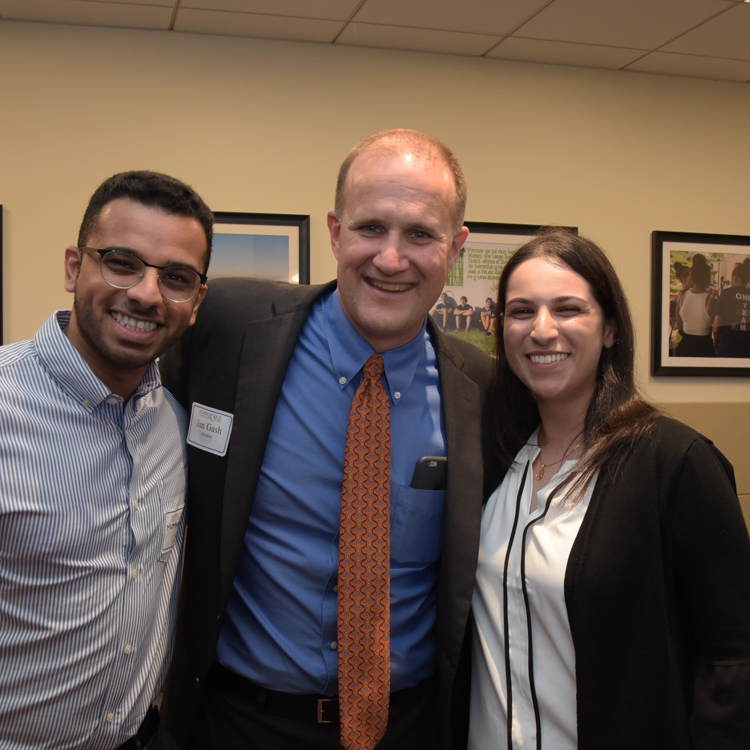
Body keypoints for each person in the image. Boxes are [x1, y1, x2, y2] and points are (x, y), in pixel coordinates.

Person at [159, 129, 497, 750]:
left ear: (456, 248)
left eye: (420, 234)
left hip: (412, 728)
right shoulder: (228, 329)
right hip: (240, 723)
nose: (391, 259)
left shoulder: (482, 389)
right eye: (371, 228)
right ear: (337, 232)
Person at [467, 228, 750, 750]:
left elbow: (732, 659)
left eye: (569, 309)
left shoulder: (674, 463)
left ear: (611, 329)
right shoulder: (493, 460)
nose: (542, 330)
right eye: (521, 311)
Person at [0, 171, 212, 749]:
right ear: (74, 267)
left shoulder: (174, 421)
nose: (145, 293)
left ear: (197, 302)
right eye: (121, 262)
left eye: (175, 278)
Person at [675, 253, 716, 357]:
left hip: (685, 346)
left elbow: (679, 324)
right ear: (707, 277)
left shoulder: (682, 297)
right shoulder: (711, 301)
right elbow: (716, 329)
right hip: (705, 347)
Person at [712, 258, 750, 357]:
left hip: (728, 347)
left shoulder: (726, 293)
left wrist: (715, 335)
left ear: (735, 277)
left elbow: (717, 324)